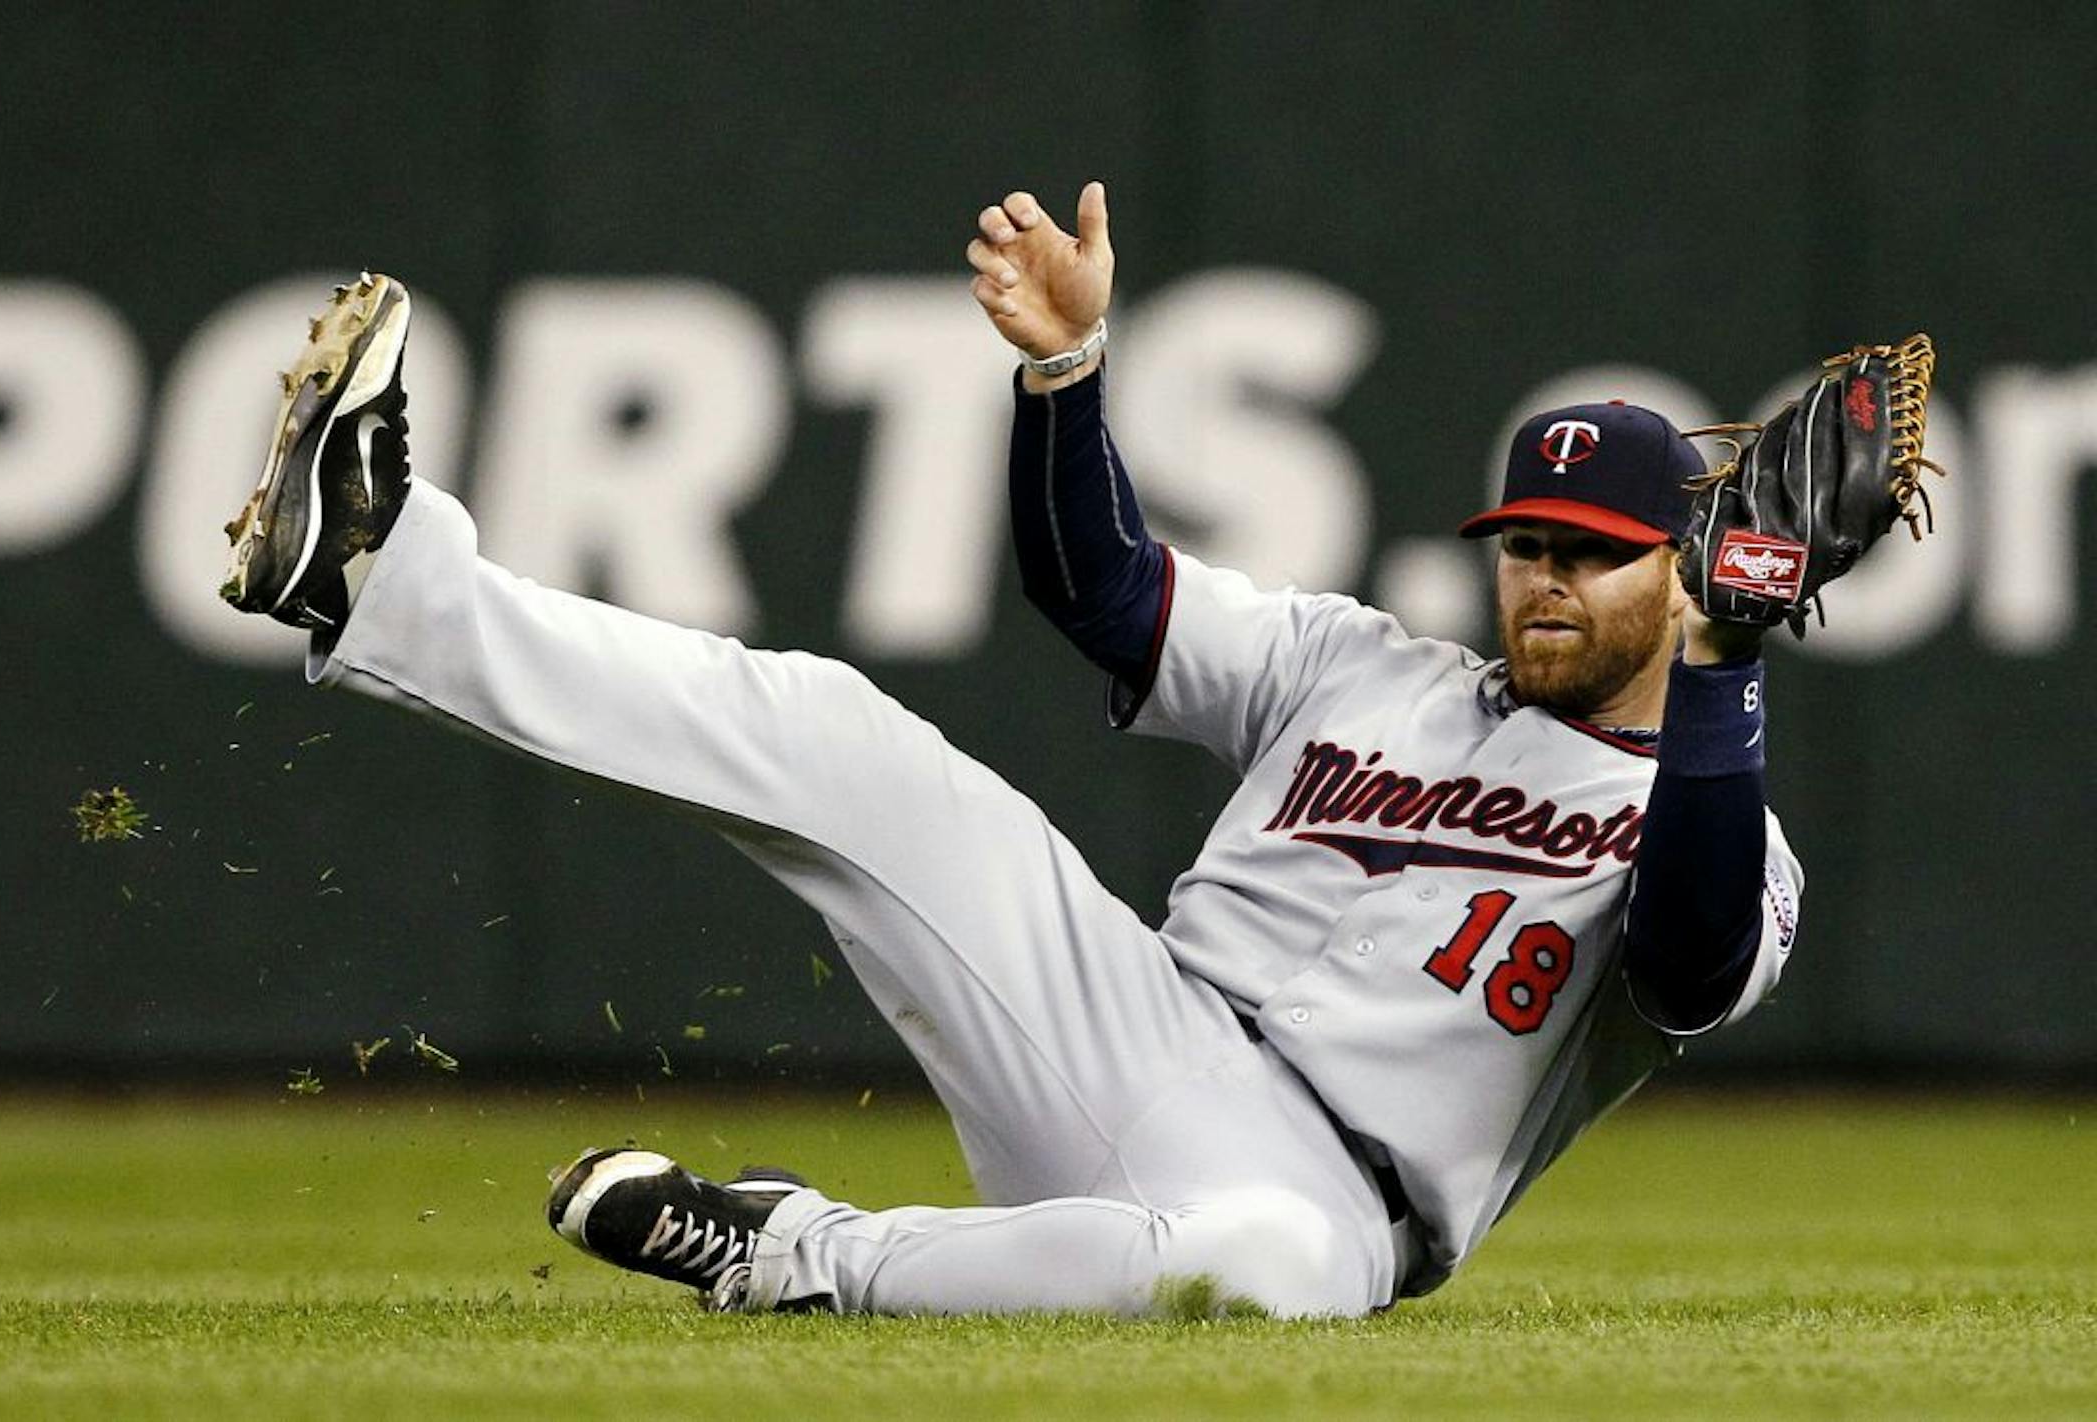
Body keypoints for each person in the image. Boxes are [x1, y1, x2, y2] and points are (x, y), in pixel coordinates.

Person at [219, 186, 1799, 1318]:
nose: (1543, 576)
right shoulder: (1361, 664)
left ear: (1681, 570)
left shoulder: (1716, 817)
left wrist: (1725, 674)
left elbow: (1688, 961)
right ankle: (381, 580)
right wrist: (1064, 375)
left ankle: (794, 1249)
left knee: (1257, 1267)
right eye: (1522, 542)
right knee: (833, 730)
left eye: (1591, 553)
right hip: (1130, 1018)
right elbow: (1102, 590)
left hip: (1338, 1199)